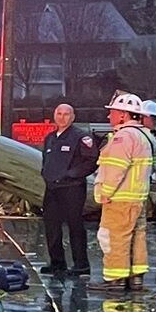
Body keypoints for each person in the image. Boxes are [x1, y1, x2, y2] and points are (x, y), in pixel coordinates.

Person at [93, 92, 156, 291]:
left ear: (123, 115)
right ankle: (136, 278)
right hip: (138, 197)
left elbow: (115, 169)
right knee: (137, 237)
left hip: (120, 198)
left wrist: (105, 192)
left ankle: (115, 279)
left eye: (112, 112)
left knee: (113, 238)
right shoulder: (145, 135)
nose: (108, 116)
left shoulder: (123, 137)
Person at [38, 102, 99, 276]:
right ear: (54, 115)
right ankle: (57, 263)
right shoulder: (50, 137)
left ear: (72, 117)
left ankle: (81, 264)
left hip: (72, 188)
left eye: (66, 114)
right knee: (51, 227)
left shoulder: (81, 137)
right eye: (59, 113)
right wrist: (46, 173)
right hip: (52, 188)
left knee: (75, 226)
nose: (62, 117)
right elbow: (46, 159)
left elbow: (91, 160)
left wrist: (72, 174)